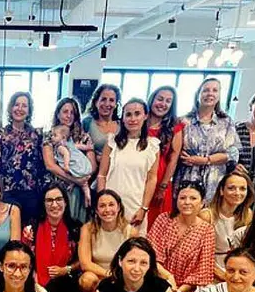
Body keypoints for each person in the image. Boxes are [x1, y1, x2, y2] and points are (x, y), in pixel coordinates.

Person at [147, 182, 216, 292]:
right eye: (183, 198)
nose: (187, 202)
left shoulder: (206, 230)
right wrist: (167, 277)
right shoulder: (163, 220)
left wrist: (178, 291)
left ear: (202, 202)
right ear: (176, 200)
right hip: (156, 280)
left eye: (193, 198)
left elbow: (202, 272)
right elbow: (149, 256)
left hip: (184, 290)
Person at [22, 184, 83, 292]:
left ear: (66, 202)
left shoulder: (76, 228)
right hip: (35, 277)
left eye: (58, 199)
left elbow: (83, 260)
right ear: (43, 204)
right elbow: (23, 256)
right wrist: (33, 273)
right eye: (49, 200)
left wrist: (65, 269)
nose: (54, 204)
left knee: (61, 283)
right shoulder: (32, 228)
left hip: (66, 279)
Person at [97, 98, 160, 233]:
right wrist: (101, 202)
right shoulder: (112, 142)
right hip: (110, 206)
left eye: (137, 114)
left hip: (135, 205)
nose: (133, 119)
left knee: (133, 248)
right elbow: (102, 175)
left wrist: (144, 208)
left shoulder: (152, 146)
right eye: (128, 114)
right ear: (123, 118)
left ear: (145, 116)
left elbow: (152, 179)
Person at [176, 78, 239, 204]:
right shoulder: (183, 121)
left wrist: (206, 160)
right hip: (187, 179)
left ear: (219, 95)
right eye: (205, 90)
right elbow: (174, 150)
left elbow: (233, 153)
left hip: (214, 181)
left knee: (209, 218)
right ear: (198, 94)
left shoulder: (226, 122)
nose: (210, 93)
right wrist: (179, 155)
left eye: (215, 90)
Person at [0, 91, 46, 223]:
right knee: (10, 235)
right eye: (16, 105)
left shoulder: (36, 135)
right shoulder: (0, 135)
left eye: (24, 106)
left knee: (29, 234)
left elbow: (41, 166)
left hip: (31, 193)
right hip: (7, 192)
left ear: (29, 110)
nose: (20, 109)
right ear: (10, 108)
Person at [42, 97, 96, 221]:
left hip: (80, 188)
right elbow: (50, 165)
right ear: (58, 114)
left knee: (77, 224)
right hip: (58, 188)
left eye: (73, 113)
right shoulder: (51, 135)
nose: (69, 116)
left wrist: (82, 179)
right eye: (65, 112)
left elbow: (93, 166)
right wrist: (74, 180)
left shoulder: (84, 137)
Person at [199, 170, 255, 281]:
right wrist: (225, 277)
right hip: (209, 270)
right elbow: (199, 256)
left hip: (237, 271)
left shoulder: (247, 214)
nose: (237, 193)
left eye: (242, 189)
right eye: (231, 188)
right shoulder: (206, 215)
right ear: (221, 191)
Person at [78, 190, 136, 292]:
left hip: (121, 276)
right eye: (102, 206)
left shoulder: (131, 232)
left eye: (111, 205)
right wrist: (109, 275)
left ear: (118, 207)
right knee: (87, 280)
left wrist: (118, 277)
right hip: (97, 276)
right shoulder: (87, 229)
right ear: (96, 210)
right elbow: (85, 263)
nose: (107, 210)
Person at [146, 86, 184, 227]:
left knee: (156, 224)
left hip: (161, 179)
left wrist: (162, 187)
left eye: (168, 101)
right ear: (152, 99)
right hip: (139, 177)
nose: (163, 104)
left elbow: (173, 159)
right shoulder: (140, 121)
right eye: (160, 99)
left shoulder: (175, 127)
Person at [48, 124, 93, 207]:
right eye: (52, 135)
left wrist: (66, 165)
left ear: (63, 137)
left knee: (72, 173)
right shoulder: (70, 144)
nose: (52, 137)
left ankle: (76, 186)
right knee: (84, 184)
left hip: (74, 165)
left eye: (55, 135)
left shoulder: (60, 147)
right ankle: (87, 195)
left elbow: (66, 154)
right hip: (84, 166)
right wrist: (88, 147)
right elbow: (79, 146)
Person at [82, 83, 121, 159]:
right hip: (94, 168)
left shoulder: (122, 125)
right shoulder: (87, 123)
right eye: (103, 99)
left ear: (116, 104)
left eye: (111, 100)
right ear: (96, 102)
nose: (107, 104)